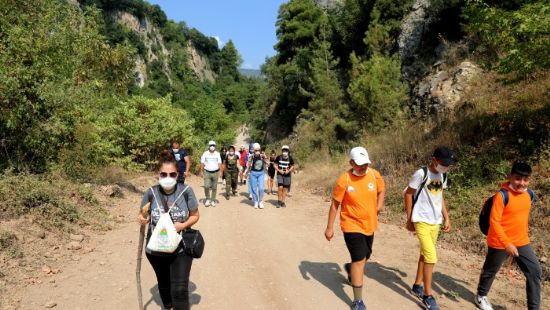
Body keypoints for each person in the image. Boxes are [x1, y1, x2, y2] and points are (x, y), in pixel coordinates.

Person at [137, 150, 200, 310]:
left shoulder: (186, 192)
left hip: (181, 248)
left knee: (179, 289)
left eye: (172, 174)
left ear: (177, 174)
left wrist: (182, 226)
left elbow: (195, 215)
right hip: (156, 249)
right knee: (164, 285)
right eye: (163, 174)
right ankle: (167, 304)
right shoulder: (151, 193)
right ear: (158, 174)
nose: (168, 178)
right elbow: (143, 214)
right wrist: (142, 219)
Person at [324, 146, 385, 310]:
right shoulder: (345, 179)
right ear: (351, 163)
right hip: (351, 224)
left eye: (365, 163)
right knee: (359, 260)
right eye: (359, 164)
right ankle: (358, 301)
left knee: (366, 256)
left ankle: (350, 269)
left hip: (370, 224)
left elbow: (381, 189)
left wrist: (379, 205)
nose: (363, 166)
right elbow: (335, 205)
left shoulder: (374, 175)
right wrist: (329, 227)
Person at [475, 162, 541, 310]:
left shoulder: (530, 194)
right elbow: (495, 222)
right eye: (518, 179)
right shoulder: (502, 195)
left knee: (535, 271)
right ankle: (481, 296)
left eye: (526, 180)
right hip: (499, 241)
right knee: (491, 270)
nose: (521, 183)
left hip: (521, 241)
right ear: (510, 177)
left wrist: (518, 239)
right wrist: (507, 243)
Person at [404, 146, 456, 310]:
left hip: (435, 222)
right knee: (431, 257)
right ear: (434, 160)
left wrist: (446, 217)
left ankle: (417, 285)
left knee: (424, 254)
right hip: (421, 219)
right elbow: (408, 193)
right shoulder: (421, 173)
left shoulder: (443, 175)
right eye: (443, 163)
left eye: (448, 165)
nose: (446, 167)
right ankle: (428, 295)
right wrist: (409, 217)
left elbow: (439, 197)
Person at [200, 140, 222, 207]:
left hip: (215, 172)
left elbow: (219, 163)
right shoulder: (205, 153)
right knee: (206, 186)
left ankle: (213, 200)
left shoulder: (217, 153)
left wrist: (221, 172)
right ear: (208, 146)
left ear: (215, 146)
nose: (212, 147)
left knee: (214, 187)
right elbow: (202, 163)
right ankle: (207, 199)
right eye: (211, 145)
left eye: (213, 145)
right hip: (207, 172)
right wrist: (201, 171)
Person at [246, 143, 267, 209]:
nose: (257, 151)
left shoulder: (262, 156)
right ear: (253, 150)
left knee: (261, 188)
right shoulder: (251, 156)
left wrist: (265, 158)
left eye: (258, 150)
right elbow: (248, 165)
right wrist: (247, 172)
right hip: (253, 173)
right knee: (254, 188)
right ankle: (255, 201)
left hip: (261, 173)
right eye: (256, 150)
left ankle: (260, 201)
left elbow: (267, 163)